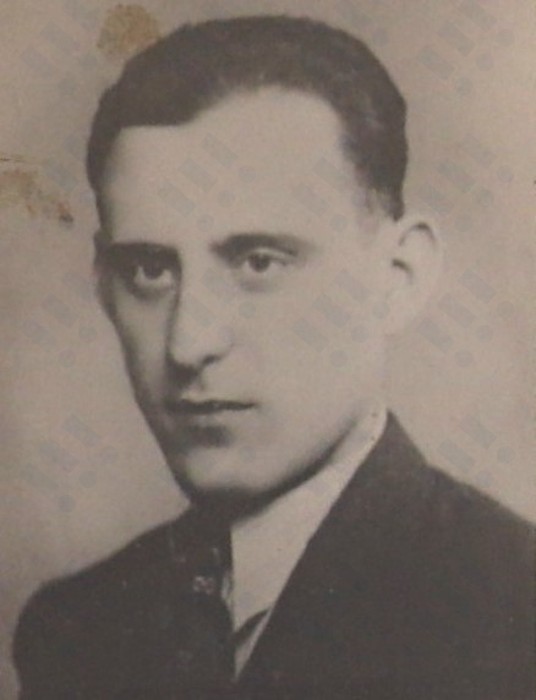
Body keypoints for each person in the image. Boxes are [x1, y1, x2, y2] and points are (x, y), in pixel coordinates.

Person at [13, 15, 534, 700]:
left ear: (398, 278)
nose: (189, 343)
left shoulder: (513, 611)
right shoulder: (77, 630)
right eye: (149, 270)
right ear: (104, 287)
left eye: (258, 261)